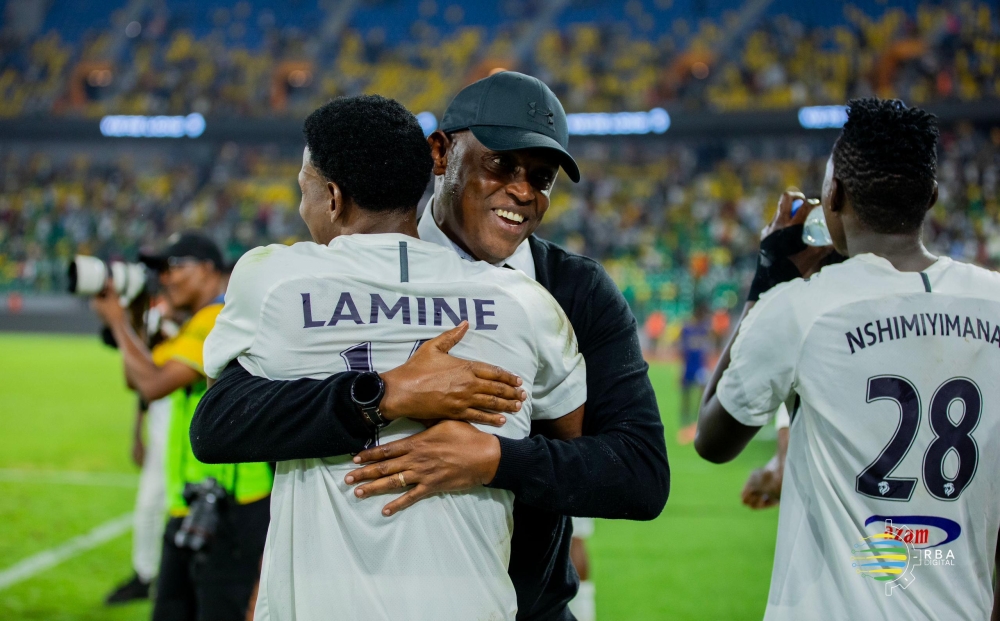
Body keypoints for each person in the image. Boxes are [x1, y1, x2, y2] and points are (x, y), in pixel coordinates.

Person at [193, 71, 670, 620]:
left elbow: (637, 475)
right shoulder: (324, 277)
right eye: (500, 164)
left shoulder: (569, 293)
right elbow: (225, 422)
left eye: (541, 179)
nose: (522, 191)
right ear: (440, 153)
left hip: (523, 607)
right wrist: (381, 394)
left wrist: (495, 458)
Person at [695, 98, 1000, 620]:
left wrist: (766, 281)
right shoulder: (993, 300)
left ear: (833, 195)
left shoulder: (799, 308)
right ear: (930, 198)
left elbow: (714, 440)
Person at [92, 232, 273, 621]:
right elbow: (137, 377)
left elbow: (153, 383)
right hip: (194, 499)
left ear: (208, 268)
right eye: (160, 270)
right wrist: (136, 318)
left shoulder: (218, 318)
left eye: (173, 267)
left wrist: (119, 322)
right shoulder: (197, 321)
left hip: (230, 505)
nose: (166, 278)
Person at [676, 301, 712, 445]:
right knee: (686, 396)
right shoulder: (687, 329)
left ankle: (697, 421)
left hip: (700, 368)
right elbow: (681, 350)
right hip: (689, 366)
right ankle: (685, 422)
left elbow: (707, 350)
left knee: (702, 395)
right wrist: (680, 369)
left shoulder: (705, 329)